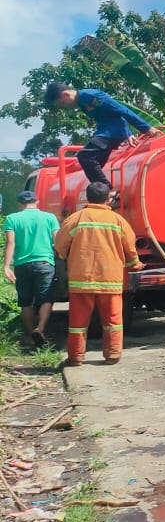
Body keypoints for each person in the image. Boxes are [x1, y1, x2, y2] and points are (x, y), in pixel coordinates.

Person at [54, 182, 142, 365]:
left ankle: (76, 357)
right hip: (111, 280)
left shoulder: (76, 219)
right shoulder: (118, 221)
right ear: (107, 199)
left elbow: (60, 247)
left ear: (88, 197)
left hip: (81, 280)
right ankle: (112, 355)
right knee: (113, 320)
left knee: (78, 323)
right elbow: (130, 248)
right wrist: (135, 264)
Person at [45, 83, 153, 193]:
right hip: (107, 131)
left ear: (66, 94)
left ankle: (107, 192)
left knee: (85, 156)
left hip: (110, 132)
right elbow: (112, 115)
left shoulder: (90, 96)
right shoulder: (82, 103)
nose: (65, 107)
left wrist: (146, 128)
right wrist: (128, 133)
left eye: (62, 103)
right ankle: (101, 193)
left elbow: (120, 109)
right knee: (94, 165)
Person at [4, 190, 60, 347]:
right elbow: (58, 241)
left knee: (26, 301)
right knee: (46, 298)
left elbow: (11, 243)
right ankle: (40, 329)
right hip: (44, 263)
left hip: (22, 265)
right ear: (37, 201)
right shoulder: (49, 218)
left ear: (20, 204)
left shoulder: (12, 219)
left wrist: (7, 266)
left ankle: (30, 335)